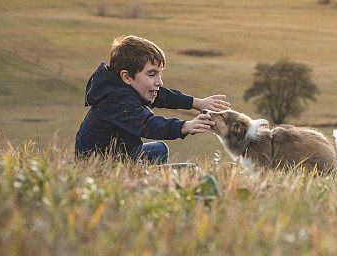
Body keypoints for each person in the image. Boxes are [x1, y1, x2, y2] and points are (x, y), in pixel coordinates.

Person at [74, 35, 229, 164]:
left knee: (160, 149)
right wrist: (185, 126)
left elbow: (162, 96)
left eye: (160, 74)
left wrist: (197, 103)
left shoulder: (123, 88)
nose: (159, 82)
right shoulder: (117, 100)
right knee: (189, 170)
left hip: (123, 154)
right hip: (104, 165)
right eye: (152, 74)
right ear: (126, 77)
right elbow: (148, 125)